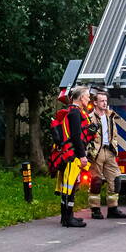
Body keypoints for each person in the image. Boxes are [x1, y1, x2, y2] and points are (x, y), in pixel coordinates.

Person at [55, 86, 93, 228]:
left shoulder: (72, 111)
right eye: (87, 96)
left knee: (69, 186)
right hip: (73, 156)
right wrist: (82, 156)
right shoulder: (75, 113)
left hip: (69, 154)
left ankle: (67, 216)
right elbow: (76, 136)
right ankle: (67, 218)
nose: (89, 99)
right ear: (81, 98)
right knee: (69, 187)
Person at [88, 91, 126, 220]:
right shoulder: (89, 118)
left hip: (109, 152)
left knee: (116, 180)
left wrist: (114, 145)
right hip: (96, 153)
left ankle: (113, 209)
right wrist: (90, 151)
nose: (105, 103)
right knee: (96, 181)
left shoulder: (110, 116)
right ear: (95, 102)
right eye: (102, 101)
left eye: (106, 101)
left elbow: (114, 134)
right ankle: (95, 210)